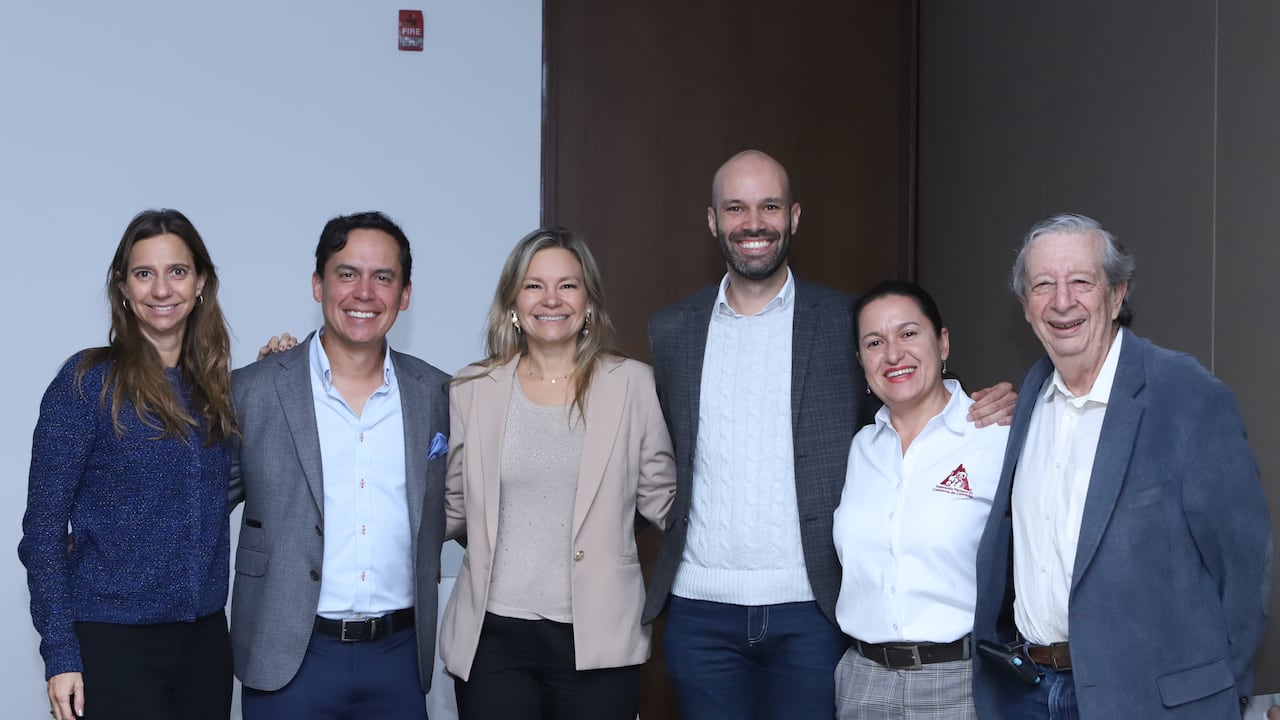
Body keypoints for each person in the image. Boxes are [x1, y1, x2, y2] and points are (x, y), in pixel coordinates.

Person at [642, 148, 1016, 719]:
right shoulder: (672, 331)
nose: (753, 223)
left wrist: (998, 402)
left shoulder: (846, 321)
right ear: (713, 221)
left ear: (793, 217)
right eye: (736, 208)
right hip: (701, 613)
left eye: (769, 206)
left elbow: (905, 378)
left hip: (812, 611)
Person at [972, 213, 1271, 719]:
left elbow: (1243, 569)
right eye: (1043, 284)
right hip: (1028, 693)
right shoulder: (1030, 398)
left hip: (1149, 704)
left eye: (1081, 282)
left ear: (1117, 295)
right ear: (1026, 307)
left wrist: (1218, 694)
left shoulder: (1185, 394)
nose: (1062, 301)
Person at [439, 228, 676, 720]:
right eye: (533, 285)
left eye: (567, 285)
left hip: (598, 639)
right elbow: (452, 509)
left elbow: (665, 502)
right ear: (512, 302)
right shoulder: (471, 388)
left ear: (588, 301)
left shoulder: (632, 384)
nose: (551, 299)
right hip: (493, 640)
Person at [228, 211, 450, 719]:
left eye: (383, 277)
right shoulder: (255, 390)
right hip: (288, 656)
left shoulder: (438, 395)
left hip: (398, 659)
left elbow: (465, 505)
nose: (364, 292)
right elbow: (195, 505)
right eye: (347, 273)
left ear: (406, 294)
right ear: (317, 285)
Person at [19, 208, 237, 720]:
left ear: (201, 282)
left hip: (206, 643)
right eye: (144, 273)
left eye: (177, 271)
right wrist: (60, 654)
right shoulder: (86, 382)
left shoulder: (218, 391)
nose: (162, 289)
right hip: (113, 643)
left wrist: (281, 367)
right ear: (122, 287)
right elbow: (43, 530)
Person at [832, 281, 1009, 719]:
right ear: (861, 361)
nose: (893, 354)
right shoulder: (858, 449)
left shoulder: (996, 437)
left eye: (908, 334)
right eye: (875, 342)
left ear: (942, 341)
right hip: (863, 680)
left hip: (960, 682)